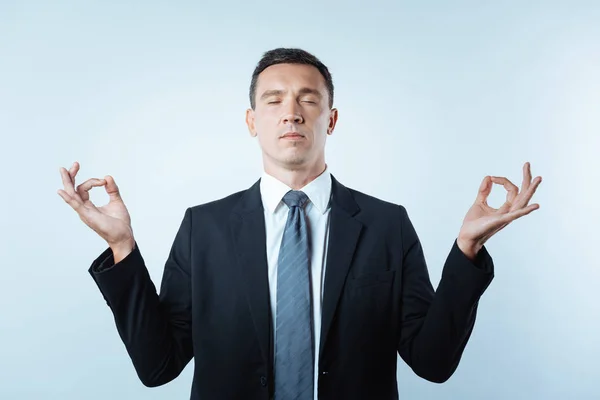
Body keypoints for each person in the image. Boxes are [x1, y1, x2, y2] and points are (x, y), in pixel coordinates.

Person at [57, 48, 542, 400]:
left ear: (330, 119)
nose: (291, 112)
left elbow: (433, 363)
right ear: (252, 121)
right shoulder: (203, 228)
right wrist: (122, 248)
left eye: (308, 99)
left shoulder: (386, 225)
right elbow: (158, 366)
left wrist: (466, 253)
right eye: (274, 100)